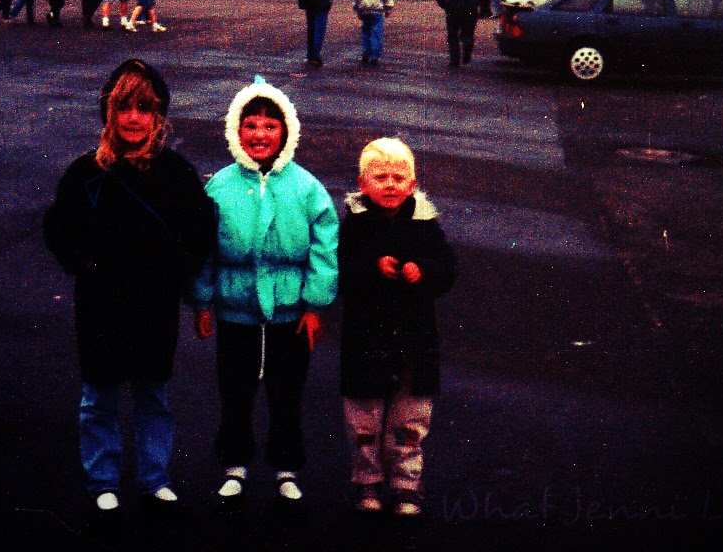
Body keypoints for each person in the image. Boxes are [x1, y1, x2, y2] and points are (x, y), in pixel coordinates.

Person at [43, 60, 216, 539]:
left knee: (152, 393)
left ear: (159, 116)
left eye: (145, 107)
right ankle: (103, 480)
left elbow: (202, 226)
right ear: (109, 112)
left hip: (154, 304)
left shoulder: (175, 172)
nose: (134, 118)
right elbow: (58, 227)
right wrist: (85, 262)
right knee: (99, 394)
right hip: (101, 304)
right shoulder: (87, 173)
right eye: (124, 107)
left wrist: (175, 268)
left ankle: (154, 479)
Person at [193, 77, 339, 509]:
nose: (260, 134)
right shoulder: (219, 186)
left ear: (287, 131)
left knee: (287, 394)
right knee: (235, 392)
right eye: (251, 125)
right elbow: (203, 249)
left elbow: (324, 247)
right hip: (235, 310)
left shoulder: (306, 187)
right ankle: (234, 465)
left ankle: (286, 469)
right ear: (235, 131)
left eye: (270, 125)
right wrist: (202, 300)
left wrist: (314, 304)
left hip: (289, 315)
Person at [338, 138, 456, 519]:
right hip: (366, 339)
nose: (390, 184)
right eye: (381, 177)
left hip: (414, 340)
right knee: (365, 417)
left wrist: (425, 271)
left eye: (398, 177)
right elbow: (340, 271)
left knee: (410, 417)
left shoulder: (426, 225)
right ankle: (367, 481)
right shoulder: (354, 225)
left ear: (412, 183)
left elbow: (447, 268)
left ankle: (407, 484)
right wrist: (372, 268)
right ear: (363, 184)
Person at [351, 0, 395, 66]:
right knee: (376, 33)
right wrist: (388, 9)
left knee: (366, 33)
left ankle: (365, 54)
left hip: (364, 11)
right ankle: (374, 57)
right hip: (377, 12)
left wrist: (357, 10)